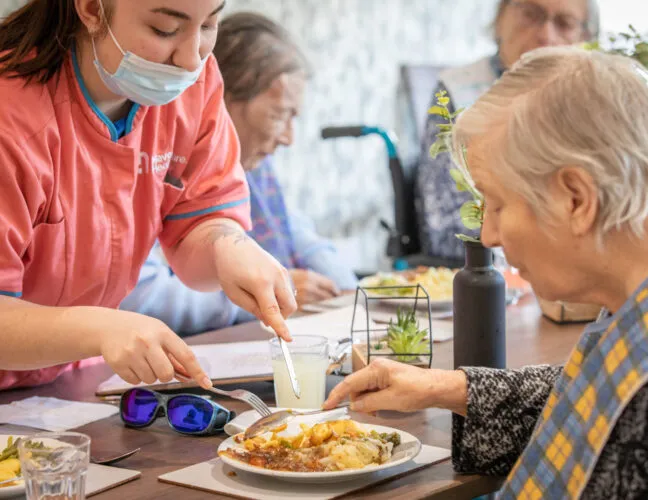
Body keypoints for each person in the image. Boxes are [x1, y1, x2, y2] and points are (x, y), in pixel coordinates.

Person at [325, 47, 648, 497]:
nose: (489, 235)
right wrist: (443, 386)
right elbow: (592, 396)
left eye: (496, 204)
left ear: (576, 199)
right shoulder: (627, 309)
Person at [0, 0, 299, 391]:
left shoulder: (193, 85)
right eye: (164, 30)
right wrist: (100, 328)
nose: (192, 59)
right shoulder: (12, 117)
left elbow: (199, 220)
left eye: (209, 25)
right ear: (91, 9)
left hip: (64, 384)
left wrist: (229, 245)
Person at [120, 12, 357, 336]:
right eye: (278, 116)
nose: (288, 138)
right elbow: (141, 295)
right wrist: (259, 296)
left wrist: (347, 291)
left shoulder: (257, 173)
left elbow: (302, 236)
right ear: (222, 100)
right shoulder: (155, 161)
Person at [415, 0, 600, 261]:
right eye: (530, 14)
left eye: (565, 23)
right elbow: (444, 228)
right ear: (500, 19)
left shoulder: (595, 100)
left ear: (585, 38)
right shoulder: (457, 91)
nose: (545, 34)